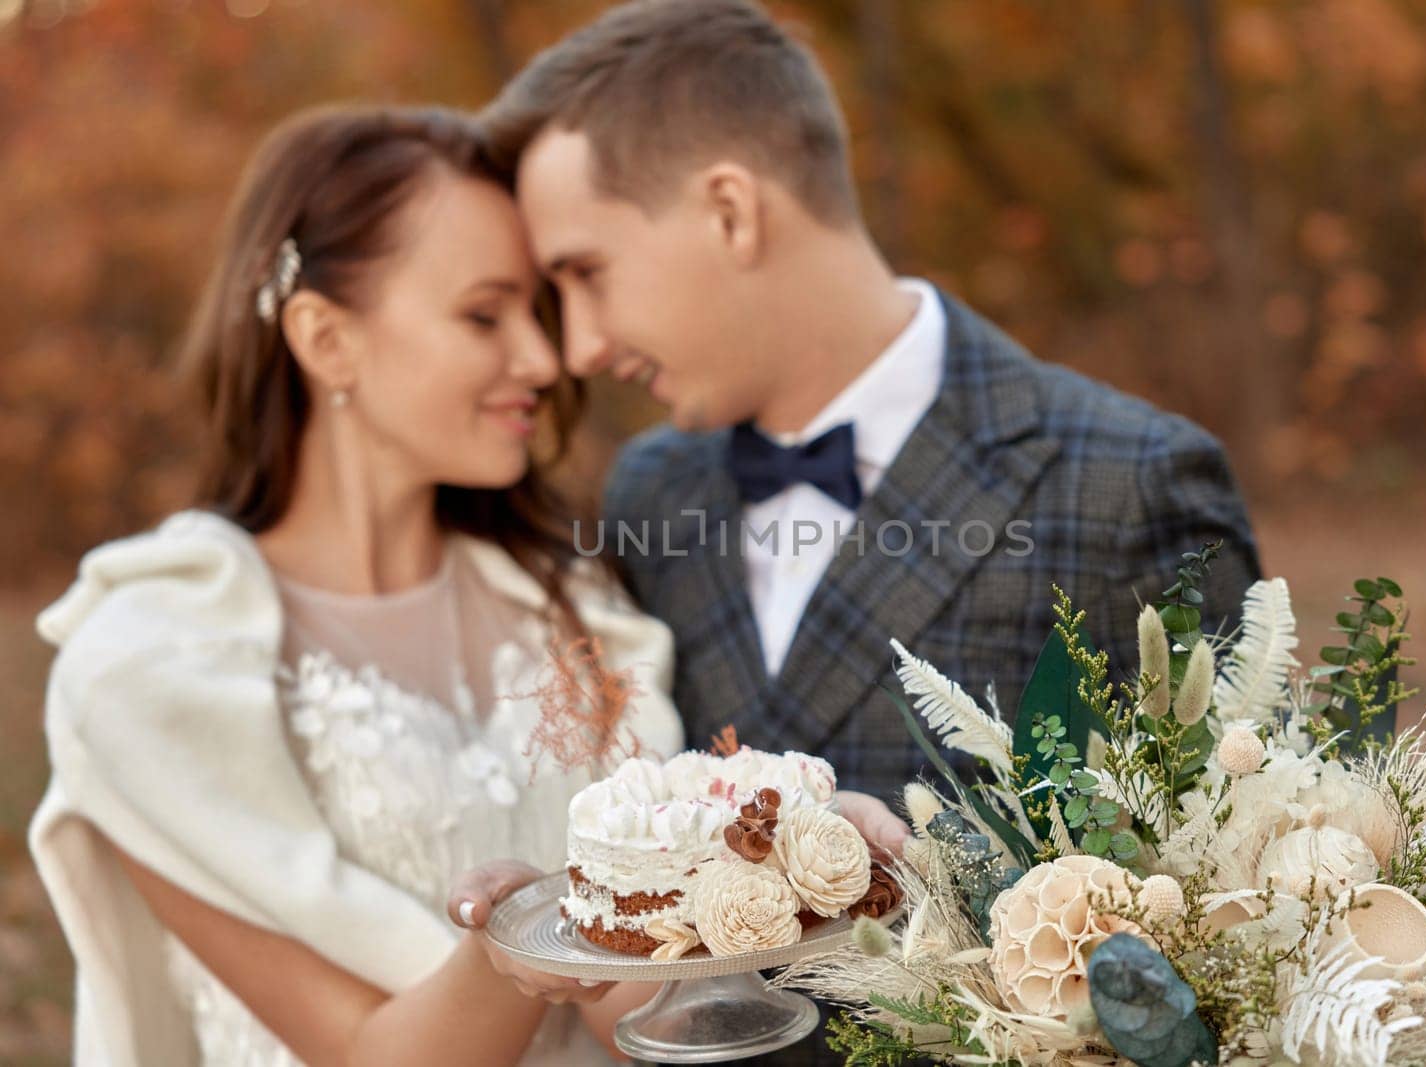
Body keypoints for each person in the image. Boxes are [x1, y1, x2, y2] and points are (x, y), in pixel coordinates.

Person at [455, 1, 1261, 1060]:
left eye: (584, 273)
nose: (580, 344)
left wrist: (938, 872)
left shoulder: (1127, 481)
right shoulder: (652, 488)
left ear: (731, 211)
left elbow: (1259, 912)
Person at [28, 105, 680, 1066]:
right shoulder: (151, 668)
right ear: (325, 338)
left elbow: (642, 1027)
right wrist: (519, 940)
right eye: (482, 313)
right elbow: (368, 1052)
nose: (542, 359)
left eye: (534, 312)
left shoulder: (579, 614)